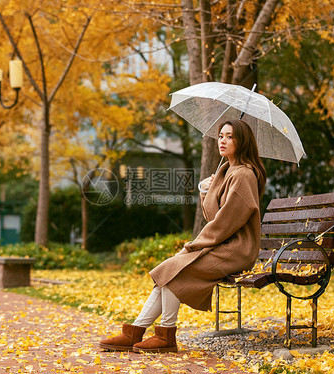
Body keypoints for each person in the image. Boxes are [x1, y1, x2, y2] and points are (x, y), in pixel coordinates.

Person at [99, 119, 267, 353]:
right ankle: (135, 332)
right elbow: (213, 216)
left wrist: (193, 246)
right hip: (223, 244)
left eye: (230, 136)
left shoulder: (243, 175)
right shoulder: (226, 171)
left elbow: (225, 223)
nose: (223, 140)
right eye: (220, 136)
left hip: (237, 249)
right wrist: (204, 190)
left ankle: (166, 335)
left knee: (175, 271)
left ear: (242, 140)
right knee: (170, 269)